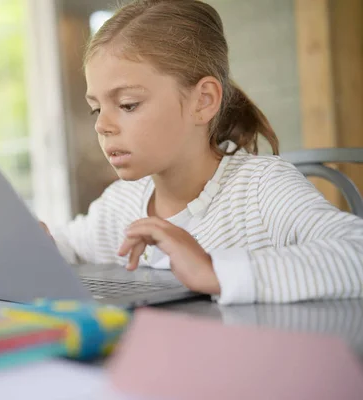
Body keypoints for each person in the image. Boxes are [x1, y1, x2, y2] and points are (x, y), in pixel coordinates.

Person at [41, 0, 363, 305]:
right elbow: (66, 248)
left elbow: (356, 253)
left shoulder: (261, 190)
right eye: (96, 109)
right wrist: (38, 246)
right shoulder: (120, 205)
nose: (102, 126)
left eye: (127, 104)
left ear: (203, 101)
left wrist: (213, 270)